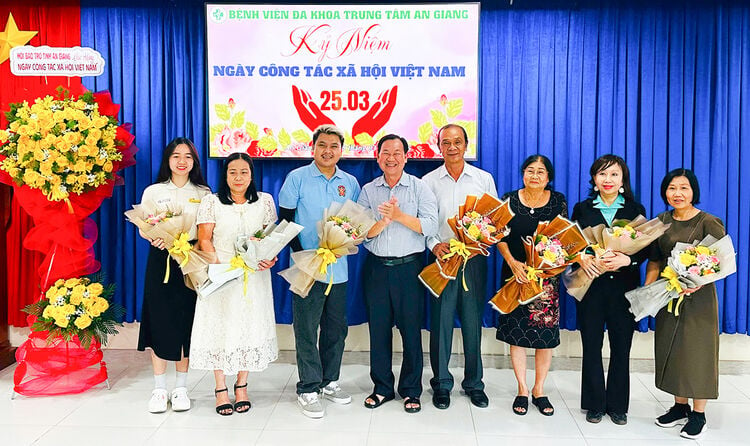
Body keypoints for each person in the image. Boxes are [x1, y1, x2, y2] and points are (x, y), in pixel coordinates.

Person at [278, 124, 361, 418]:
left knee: (336, 328)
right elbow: (285, 220)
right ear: (313, 147)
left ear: (341, 150)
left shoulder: (349, 181)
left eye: (334, 146)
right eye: (322, 145)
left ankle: (329, 380)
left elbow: (354, 222)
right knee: (306, 328)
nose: (328, 151)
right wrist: (305, 255)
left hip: (338, 268)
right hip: (306, 267)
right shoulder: (297, 178)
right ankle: (308, 387)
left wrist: (338, 246)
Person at [192, 153, 279, 416]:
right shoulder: (211, 202)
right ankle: (220, 389)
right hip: (222, 274)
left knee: (248, 327)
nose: (238, 177)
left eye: (244, 172)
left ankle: (241, 385)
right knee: (220, 327)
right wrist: (220, 267)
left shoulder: (264, 201)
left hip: (254, 277)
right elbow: (204, 239)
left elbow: (269, 238)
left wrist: (268, 258)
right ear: (225, 175)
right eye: (233, 172)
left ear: (251, 175)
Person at [358, 134, 438, 413]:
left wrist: (400, 216)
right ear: (377, 157)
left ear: (406, 156)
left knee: (411, 332)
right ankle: (382, 388)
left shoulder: (419, 188)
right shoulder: (369, 190)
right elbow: (360, 233)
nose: (391, 158)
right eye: (385, 153)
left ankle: (411, 390)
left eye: (397, 152)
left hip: (410, 268)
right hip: (377, 269)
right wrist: (384, 221)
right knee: (378, 331)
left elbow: (429, 226)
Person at [422, 123, 498, 410]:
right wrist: (434, 245)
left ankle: (474, 384)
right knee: (440, 323)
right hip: (442, 259)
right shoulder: (428, 181)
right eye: (445, 142)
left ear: (467, 145)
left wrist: (485, 237)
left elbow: (494, 219)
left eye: (457, 142)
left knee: (471, 322)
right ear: (438, 146)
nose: (452, 147)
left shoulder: (483, 179)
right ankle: (441, 384)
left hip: (474, 260)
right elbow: (425, 221)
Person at [648, 168, 725, 440]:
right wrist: (648, 290)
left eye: (684, 188)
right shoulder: (661, 221)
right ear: (664, 191)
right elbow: (655, 258)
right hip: (669, 294)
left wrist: (697, 283)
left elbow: (721, 260)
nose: (677, 193)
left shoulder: (708, 221)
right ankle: (679, 406)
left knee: (697, 352)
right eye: (671, 188)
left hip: (699, 298)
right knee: (672, 349)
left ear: (694, 191)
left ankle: (699, 414)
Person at [571, 155, 647, 426]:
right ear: (594, 179)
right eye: (602, 174)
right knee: (591, 345)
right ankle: (594, 403)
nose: (608, 180)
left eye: (614, 174)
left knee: (621, 347)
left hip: (624, 290)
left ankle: (617, 405)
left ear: (622, 179)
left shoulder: (634, 208)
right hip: (591, 286)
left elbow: (646, 248)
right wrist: (582, 257)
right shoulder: (582, 208)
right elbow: (572, 243)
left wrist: (629, 259)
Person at [137, 137, 210, 413]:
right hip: (161, 258)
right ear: (168, 160)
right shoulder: (154, 191)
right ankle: (159, 389)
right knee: (160, 319)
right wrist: (153, 236)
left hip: (191, 259)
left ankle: (181, 388)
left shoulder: (203, 193)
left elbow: (206, 228)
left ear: (194, 162)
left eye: (188, 156)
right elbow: (144, 224)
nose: (182, 161)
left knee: (186, 321)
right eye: (176, 156)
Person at [496, 155, 567, 417]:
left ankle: (539, 389)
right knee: (517, 335)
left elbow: (563, 239)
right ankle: (522, 389)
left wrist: (544, 266)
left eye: (541, 172)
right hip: (515, 275)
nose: (535, 176)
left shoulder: (558, 201)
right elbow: (498, 235)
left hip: (546, 279)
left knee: (544, 338)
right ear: (522, 173)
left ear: (549, 177)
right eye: (530, 170)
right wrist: (514, 263)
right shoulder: (509, 198)